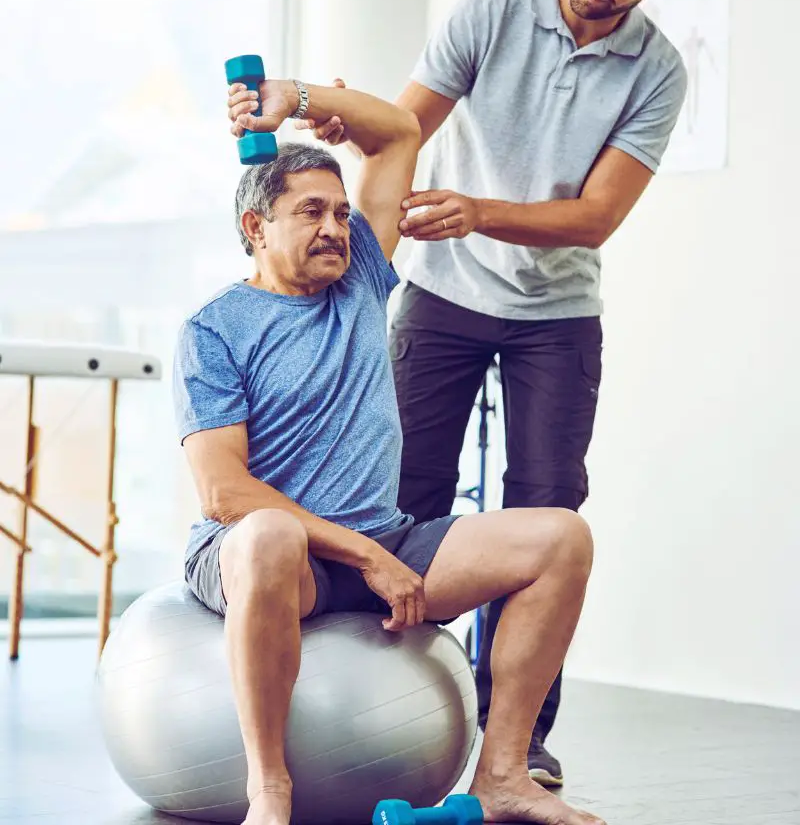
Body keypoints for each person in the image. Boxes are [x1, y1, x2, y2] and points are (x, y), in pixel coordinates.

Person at [297, 0, 706, 785]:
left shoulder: (659, 71)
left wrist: (478, 209)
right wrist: (346, 121)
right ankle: (377, 700)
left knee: (545, 514)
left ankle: (516, 735)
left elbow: (596, 218)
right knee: (402, 491)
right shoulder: (492, 9)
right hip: (442, 294)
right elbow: (404, 128)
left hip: (556, 317)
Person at [176, 75, 604, 825]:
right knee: (271, 531)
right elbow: (224, 494)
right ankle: (269, 792)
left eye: (342, 213)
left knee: (560, 536)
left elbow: (400, 132)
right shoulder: (215, 328)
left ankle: (503, 773)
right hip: (272, 557)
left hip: (384, 539)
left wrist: (295, 97)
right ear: (255, 226)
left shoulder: (360, 285)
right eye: (310, 212)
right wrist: (365, 556)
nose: (336, 228)